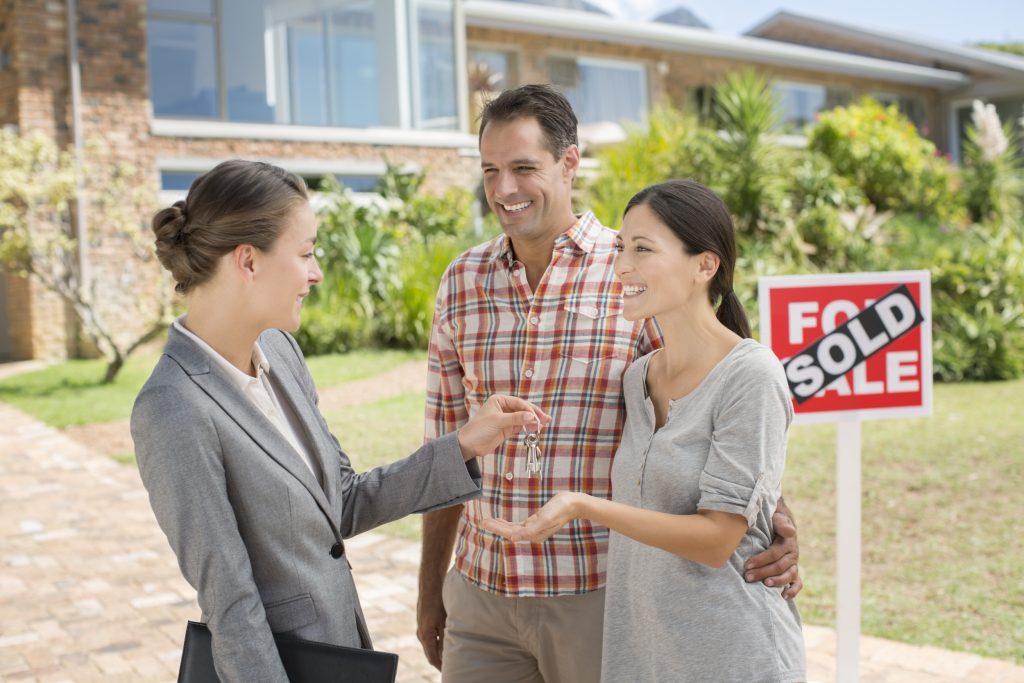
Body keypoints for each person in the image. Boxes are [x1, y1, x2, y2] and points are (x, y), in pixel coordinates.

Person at [418, 85, 802, 683]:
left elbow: (710, 402)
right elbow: (443, 449)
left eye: (524, 167)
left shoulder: (636, 276)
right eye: (490, 170)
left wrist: (774, 522)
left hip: (600, 594)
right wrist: (429, 590)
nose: (504, 189)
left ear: (570, 162)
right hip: (482, 593)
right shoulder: (462, 280)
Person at [131, 159, 549, 682]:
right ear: (247, 261)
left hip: (338, 647)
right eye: (305, 253)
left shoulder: (278, 352)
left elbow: (342, 502)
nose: (316, 271)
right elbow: (231, 603)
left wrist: (463, 444)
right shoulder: (172, 407)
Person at [484, 179, 806, 682]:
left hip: (732, 654)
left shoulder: (751, 375)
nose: (621, 266)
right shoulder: (639, 379)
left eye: (642, 249)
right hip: (644, 653)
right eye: (620, 248)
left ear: (705, 265)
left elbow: (718, 538)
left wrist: (581, 505)